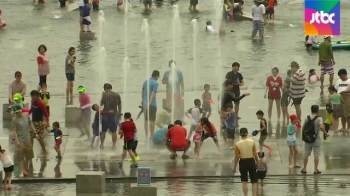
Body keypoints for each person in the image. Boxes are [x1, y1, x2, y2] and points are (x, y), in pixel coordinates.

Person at [301, 105, 329, 174]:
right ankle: (316, 169)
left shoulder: (307, 118)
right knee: (316, 154)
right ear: (317, 110)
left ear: (311, 110)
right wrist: (325, 133)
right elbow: (321, 127)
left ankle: (304, 169)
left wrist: (303, 137)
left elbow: (303, 127)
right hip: (316, 139)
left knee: (306, 154)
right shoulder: (319, 118)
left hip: (307, 139)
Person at [11, 104, 35, 178]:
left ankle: (25, 170)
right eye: (16, 113)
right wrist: (16, 141)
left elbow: (31, 124)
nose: (18, 114)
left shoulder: (26, 115)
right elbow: (14, 131)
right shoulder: (14, 120)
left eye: (18, 112)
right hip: (20, 139)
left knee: (28, 155)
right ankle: (21, 171)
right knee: (20, 156)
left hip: (27, 138)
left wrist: (35, 132)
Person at [233, 128, 258, 196]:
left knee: (244, 181)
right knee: (254, 181)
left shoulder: (238, 144)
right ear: (247, 133)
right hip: (251, 161)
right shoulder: (252, 142)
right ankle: (254, 195)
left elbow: (237, 157)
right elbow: (255, 153)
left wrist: (234, 167)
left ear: (240, 134)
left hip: (243, 162)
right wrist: (257, 161)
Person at [100, 83, 122, 149]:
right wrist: (119, 113)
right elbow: (120, 105)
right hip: (114, 115)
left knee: (103, 131)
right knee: (114, 131)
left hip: (105, 115)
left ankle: (102, 145)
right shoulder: (117, 95)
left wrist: (103, 95)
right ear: (111, 88)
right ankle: (114, 145)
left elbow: (101, 103)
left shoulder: (105, 95)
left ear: (104, 89)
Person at [28, 90, 49, 156]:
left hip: (39, 122)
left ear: (38, 96)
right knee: (31, 136)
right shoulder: (32, 102)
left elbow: (46, 114)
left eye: (33, 96)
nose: (32, 97)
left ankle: (44, 150)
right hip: (33, 121)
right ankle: (30, 149)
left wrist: (47, 122)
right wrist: (26, 114)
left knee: (39, 137)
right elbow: (31, 110)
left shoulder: (41, 103)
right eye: (31, 96)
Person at [142, 70, 160, 139]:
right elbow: (153, 93)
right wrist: (150, 103)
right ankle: (152, 135)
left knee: (146, 120)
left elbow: (142, 92)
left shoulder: (145, 82)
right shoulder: (155, 83)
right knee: (152, 120)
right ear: (157, 76)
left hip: (145, 103)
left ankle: (146, 135)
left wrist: (143, 101)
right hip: (152, 104)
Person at [334, 69, 350, 133]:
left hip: (347, 98)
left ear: (344, 74)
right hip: (339, 98)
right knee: (342, 114)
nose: (340, 77)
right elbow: (335, 90)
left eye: (341, 76)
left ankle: (349, 127)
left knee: (348, 114)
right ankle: (343, 127)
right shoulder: (338, 81)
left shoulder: (349, 81)